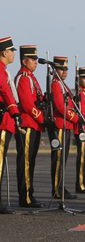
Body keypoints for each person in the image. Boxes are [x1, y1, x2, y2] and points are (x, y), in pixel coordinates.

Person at [15, 45, 45, 208]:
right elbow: (27, 104)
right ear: (24, 60)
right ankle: (25, 197)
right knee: (25, 162)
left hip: (34, 125)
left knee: (30, 161)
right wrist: (42, 118)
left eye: (35, 59)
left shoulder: (31, 77)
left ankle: (29, 194)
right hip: (27, 124)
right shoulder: (24, 77)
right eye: (32, 60)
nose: (35, 62)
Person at [50, 56, 78, 199]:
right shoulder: (56, 84)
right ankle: (56, 189)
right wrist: (75, 117)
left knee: (63, 159)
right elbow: (60, 106)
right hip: (61, 124)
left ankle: (60, 186)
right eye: (62, 69)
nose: (65, 72)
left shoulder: (63, 84)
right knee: (59, 158)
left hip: (66, 124)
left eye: (66, 69)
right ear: (55, 70)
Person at [0, 36, 20, 214]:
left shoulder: (4, 70)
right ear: (4, 52)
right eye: (12, 50)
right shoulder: (0, 70)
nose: (14, 53)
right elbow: (5, 91)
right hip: (3, 121)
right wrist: (15, 112)